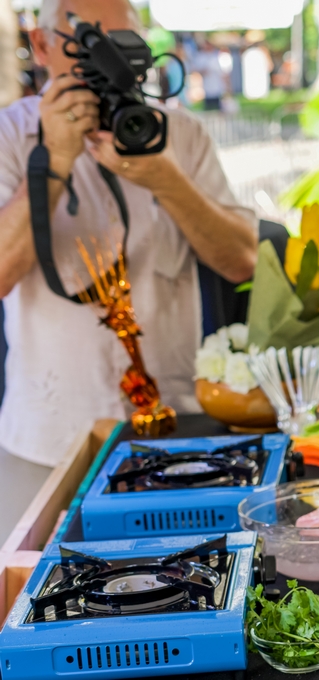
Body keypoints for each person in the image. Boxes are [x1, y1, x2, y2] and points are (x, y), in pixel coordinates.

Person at [0, 0, 257, 468]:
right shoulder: (10, 137)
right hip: (49, 439)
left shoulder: (179, 134)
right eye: (91, 46)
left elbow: (244, 261)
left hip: (180, 426)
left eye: (125, 46)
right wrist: (52, 162)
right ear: (41, 45)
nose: (110, 65)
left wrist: (166, 179)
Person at [190, 38, 227, 111]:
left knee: (217, 108)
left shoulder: (216, 56)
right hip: (206, 87)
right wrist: (203, 71)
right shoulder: (201, 57)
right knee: (209, 108)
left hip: (217, 87)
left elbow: (222, 72)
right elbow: (194, 69)